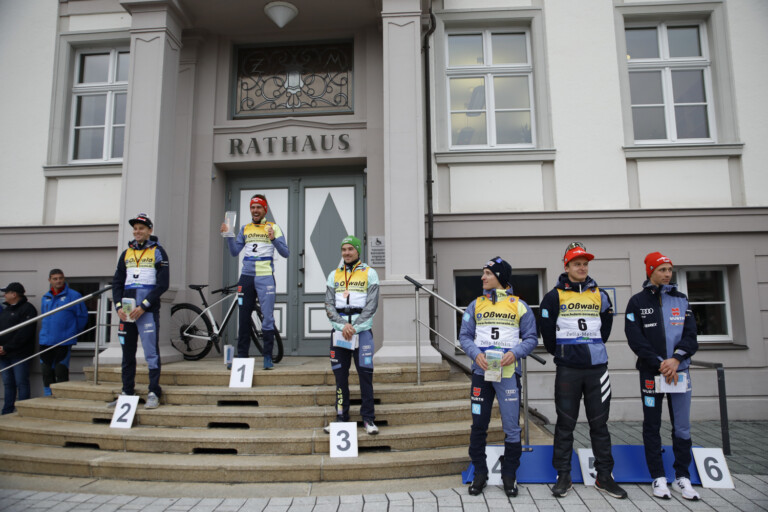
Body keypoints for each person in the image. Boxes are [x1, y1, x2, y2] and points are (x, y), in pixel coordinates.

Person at [540, 242, 627, 499]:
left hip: (597, 370)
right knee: (565, 425)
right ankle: (563, 476)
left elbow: (606, 327)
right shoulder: (554, 296)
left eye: (585, 263)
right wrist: (564, 354)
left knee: (599, 425)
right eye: (577, 263)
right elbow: (547, 334)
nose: (582, 267)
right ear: (566, 266)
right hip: (568, 369)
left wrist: (592, 348)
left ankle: (604, 477)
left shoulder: (600, 294)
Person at [625, 252, 700, 501]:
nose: (667, 274)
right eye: (662, 269)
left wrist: (676, 359)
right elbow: (636, 339)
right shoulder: (636, 302)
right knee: (652, 424)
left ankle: (683, 476)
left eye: (669, 269)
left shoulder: (681, 299)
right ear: (650, 272)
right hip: (651, 372)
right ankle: (658, 477)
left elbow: (691, 336)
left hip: (679, 371)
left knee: (682, 426)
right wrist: (659, 363)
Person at [459, 257, 538, 497]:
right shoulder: (475, 305)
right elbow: (464, 336)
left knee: (512, 427)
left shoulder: (519, 305)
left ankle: (509, 474)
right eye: (482, 273)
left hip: (507, 373)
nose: (482, 277)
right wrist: (475, 354)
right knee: (479, 425)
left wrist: (515, 353)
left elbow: (532, 338)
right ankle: (480, 472)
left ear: (500, 277)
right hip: (482, 373)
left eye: (486, 273)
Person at [221, 194, 289, 369]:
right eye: (253, 207)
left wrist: (273, 239)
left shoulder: (273, 227)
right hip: (246, 277)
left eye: (259, 207)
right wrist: (228, 235)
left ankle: (267, 356)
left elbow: (286, 253)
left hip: (265, 277)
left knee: (267, 317)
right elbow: (235, 252)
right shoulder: (245, 228)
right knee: (243, 317)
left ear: (264, 209)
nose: (255, 210)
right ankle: (242, 356)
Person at [111, 213, 169, 409]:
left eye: (141, 228)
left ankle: (154, 391)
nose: (137, 232)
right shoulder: (126, 253)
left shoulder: (158, 252)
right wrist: (118, 306)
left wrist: (143, 306)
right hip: (127, 312)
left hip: (147, 311)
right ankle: (127, 391)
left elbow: (162, 285)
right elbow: (117, 282)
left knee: (151, 353)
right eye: (135, 228)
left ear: (149, 230)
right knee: (127, 354)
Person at [323, 236, 380, 435]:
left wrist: (353, 326)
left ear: (357, 251)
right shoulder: (334, 275)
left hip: (361, 332)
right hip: (340, 333)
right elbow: (329, 304)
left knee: (365, 376)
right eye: (343, 249)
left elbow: (372, 305)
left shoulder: (370, 273)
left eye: (350, 249)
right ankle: (341, 417)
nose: (346, 253)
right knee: (340, 377)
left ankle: (368, 419)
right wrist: (342, 326)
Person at [39, 269, 89, 396]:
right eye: (55, 279)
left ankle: (61, 396)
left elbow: (82, 317)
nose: (58, 281)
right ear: (49, 280)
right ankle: (48, 396)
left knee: (61, 370)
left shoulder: (74, 295)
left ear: (64, 279)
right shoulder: (46, 297)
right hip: (45, 340)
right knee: (46, 370)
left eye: (60, 278)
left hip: (63, 340)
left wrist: (72, 333)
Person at [0, 282, 37, 414]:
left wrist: (7, 347)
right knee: (8, 384)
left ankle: (23, 411)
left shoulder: (28, 309)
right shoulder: (6, 310)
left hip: (19, 354)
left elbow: (24, 333)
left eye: (6, 292)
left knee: (21, 382)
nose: (4, 295)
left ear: (14, 294)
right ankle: (7, 411)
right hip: (3, 355)